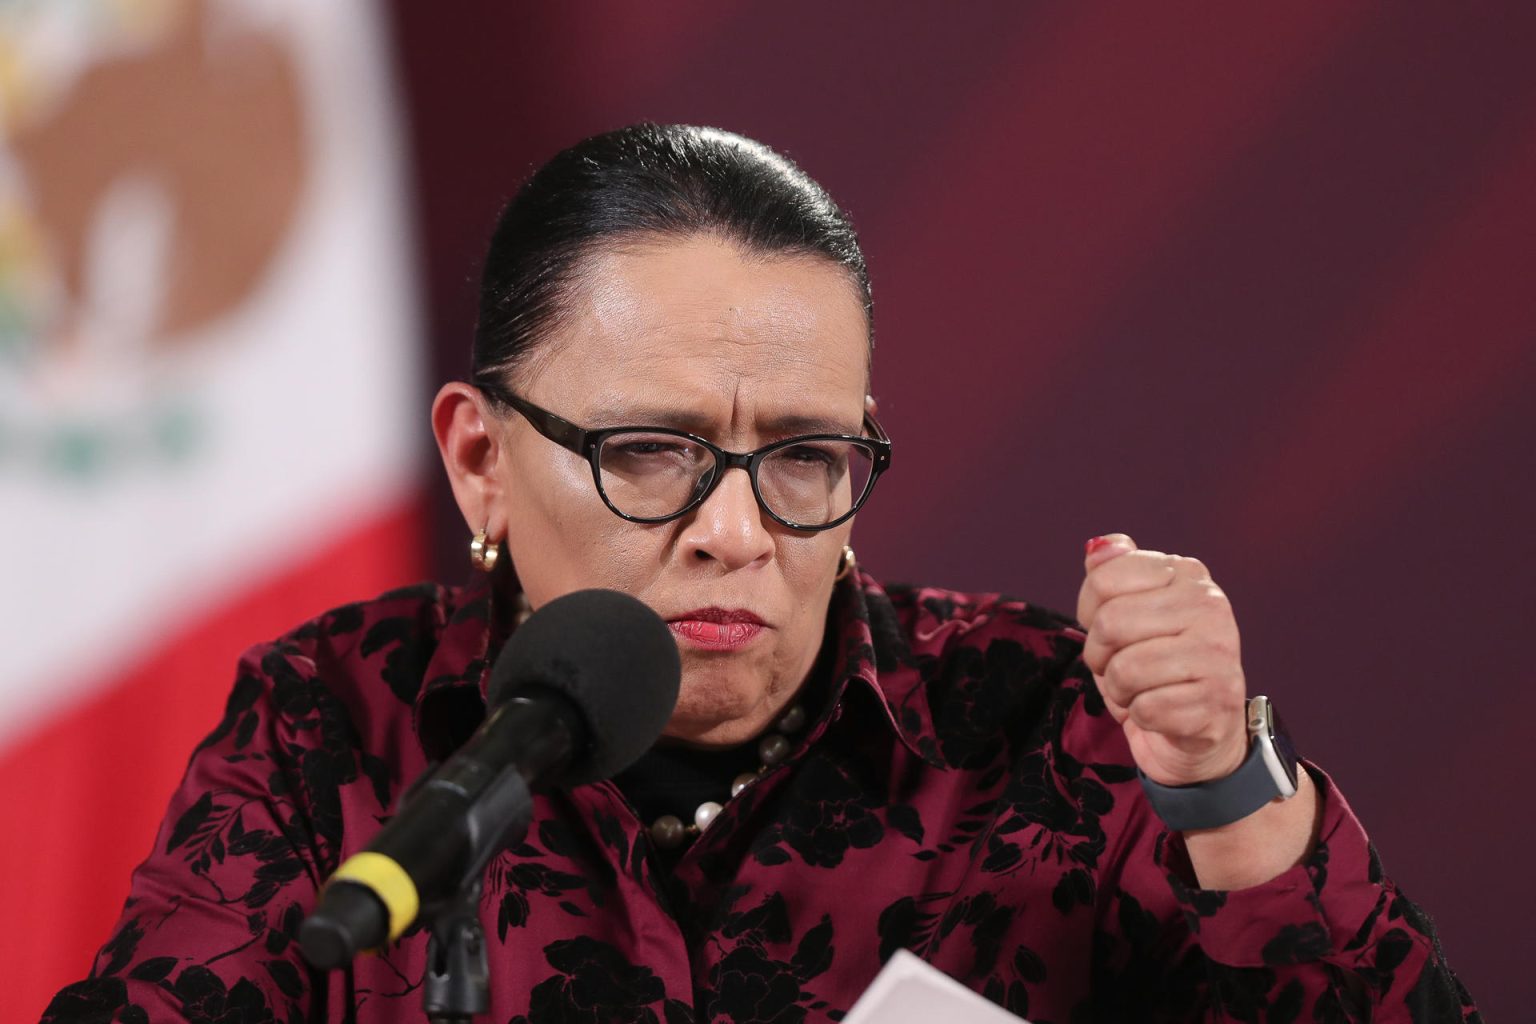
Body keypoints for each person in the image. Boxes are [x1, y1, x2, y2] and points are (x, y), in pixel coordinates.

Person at [44, 124, 1479, 1023]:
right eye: (652, 452)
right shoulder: (330, 726)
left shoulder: (1053, 726)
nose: (736, 532)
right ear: (480, 459)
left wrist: (1228, 794)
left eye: (802, 458)